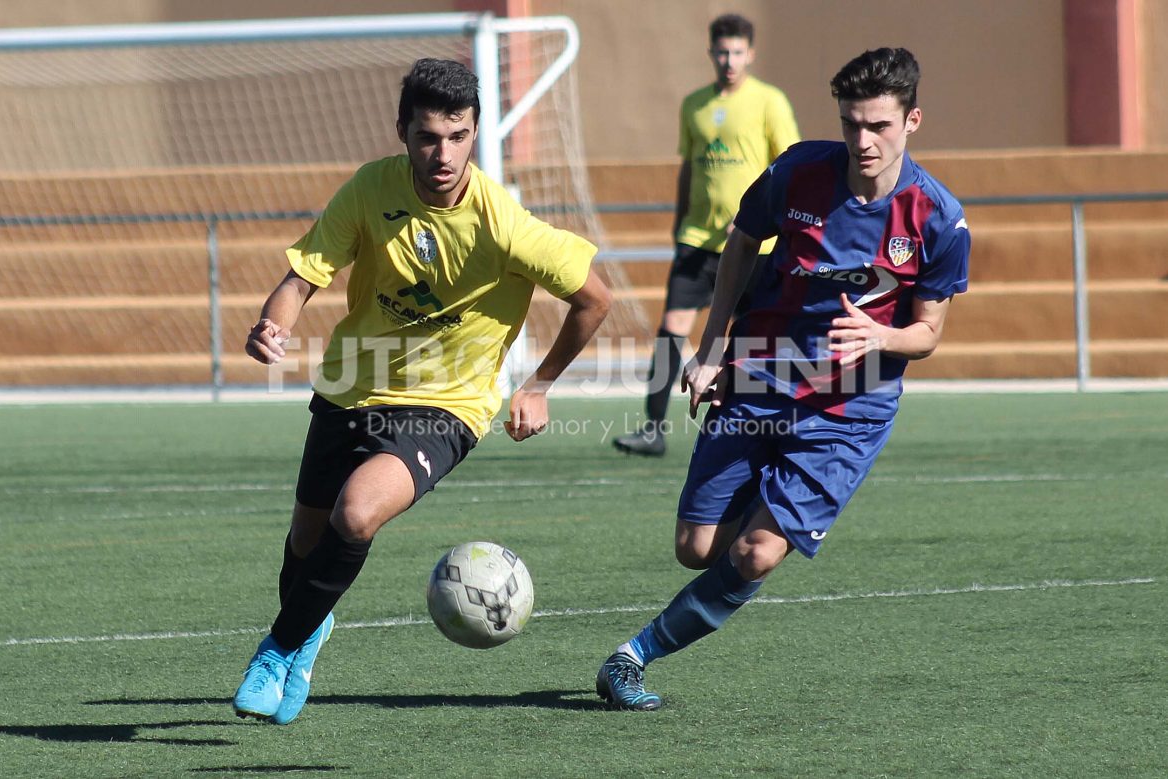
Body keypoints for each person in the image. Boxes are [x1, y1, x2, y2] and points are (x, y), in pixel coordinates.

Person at [232, 58, 611, 724]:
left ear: (475, 133)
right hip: (353, 383)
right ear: (403, 131)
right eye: (429, 136)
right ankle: (310, 625)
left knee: (355, 514)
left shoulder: (502, 223)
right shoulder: (370, 189)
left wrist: (539, 384)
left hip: (446, 404)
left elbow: (593, 298)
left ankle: (278, 647)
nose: (443, 153)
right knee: (304, 542)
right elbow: (300, 280)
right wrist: (273, 325)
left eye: (458, 136)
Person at [596, 47, 970, 710]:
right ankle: (759, 518)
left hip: (848, 412)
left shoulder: (937, 218)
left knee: (756, 553)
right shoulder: (798, 173)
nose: (863, 140)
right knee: (696, 546)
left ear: (912, 121)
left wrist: (882, 336)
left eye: (879, 126)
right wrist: (711, 348)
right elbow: (742, 240)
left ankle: (632, 656)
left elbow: (928, 333)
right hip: (761, 374)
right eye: (852, 123)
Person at [613, 12, 799, 457]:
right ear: (711, 52)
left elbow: (790, 164)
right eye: (722, 51)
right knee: (671, 330)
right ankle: (653, 428)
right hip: (697, 241)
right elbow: (688, 167)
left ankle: (755, 426)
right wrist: (680, 223)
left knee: (753, 336)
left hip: (757, 243)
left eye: (737, 52)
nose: (729, 60)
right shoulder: (693, 104)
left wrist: (760, 214)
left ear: (750, 54)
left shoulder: (770, 101)